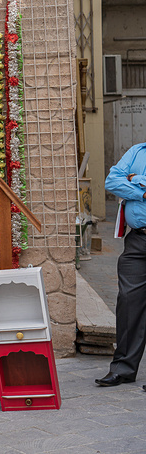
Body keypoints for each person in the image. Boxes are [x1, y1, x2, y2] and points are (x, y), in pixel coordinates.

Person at [97, 142, 146, 387]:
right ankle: (123, 369)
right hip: (137, 241)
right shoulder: (137, 151)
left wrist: (137, 179)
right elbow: (112, 182)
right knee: (128, 302)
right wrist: (143, 192)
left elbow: (123, 183)